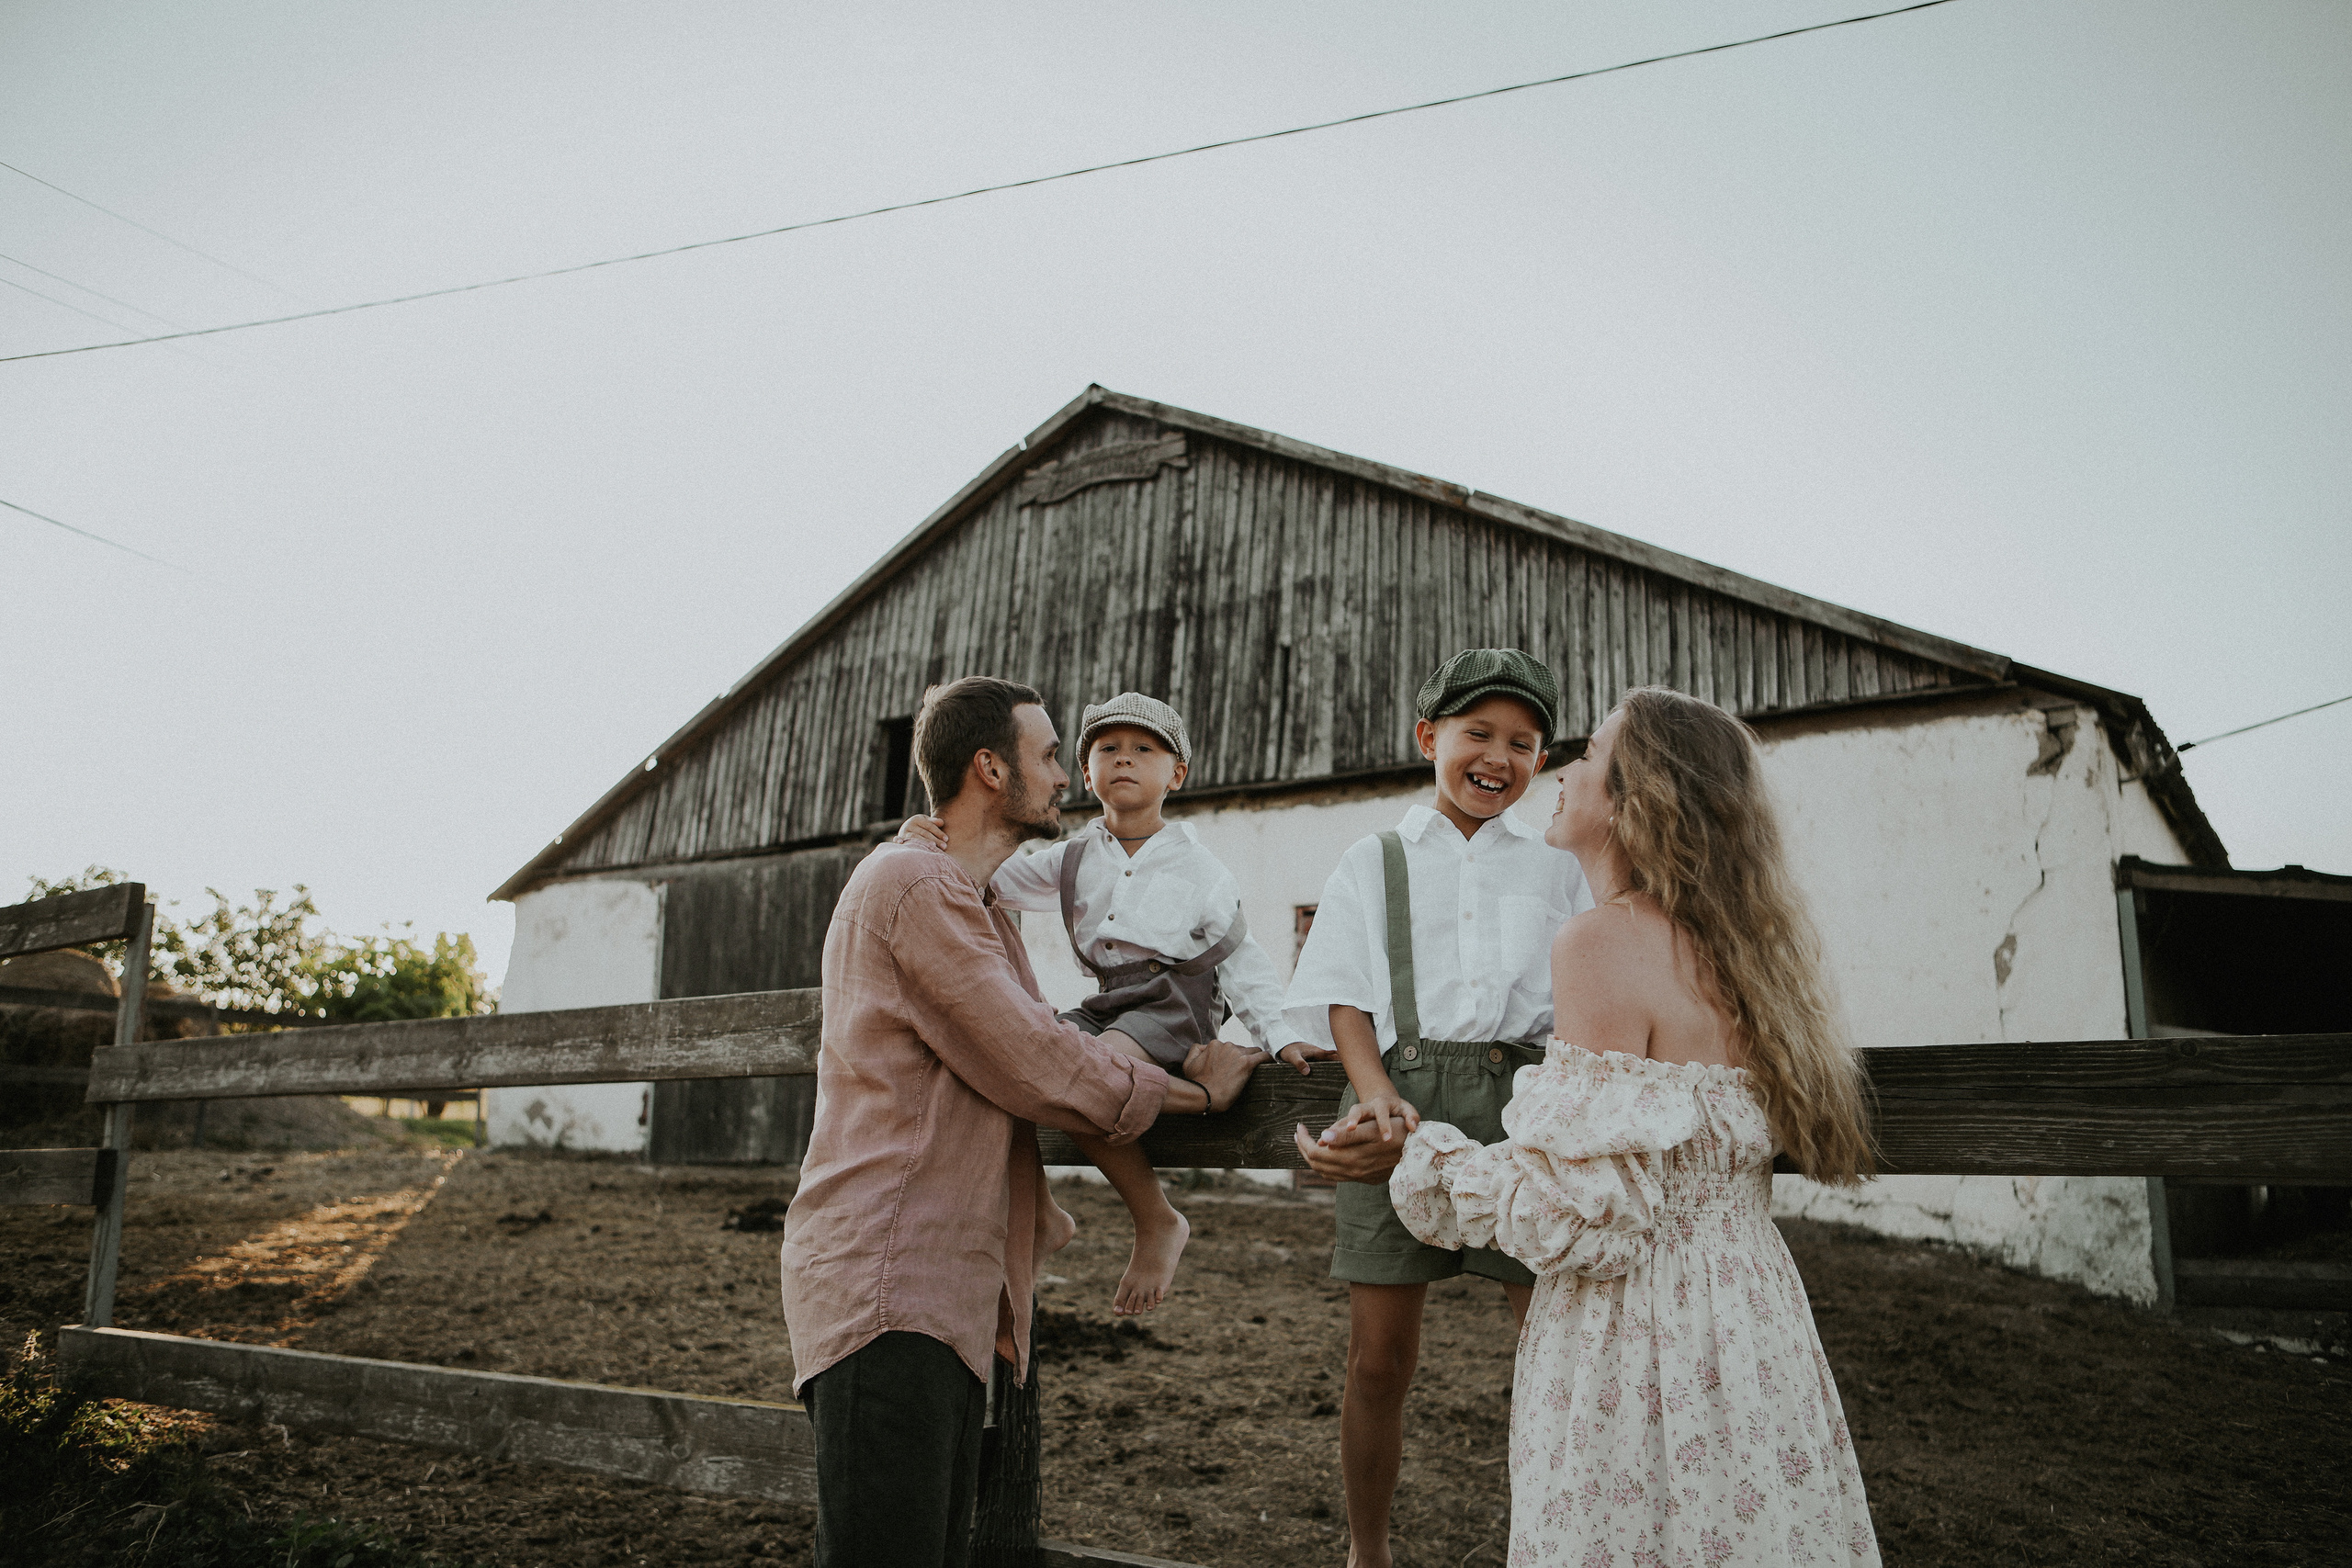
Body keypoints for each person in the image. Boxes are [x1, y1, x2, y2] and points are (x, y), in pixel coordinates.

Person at [1305, 685, 1882, 1566]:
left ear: (1634, 797)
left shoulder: (1598, 941)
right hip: (1750, 1311)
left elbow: (1575, 1206)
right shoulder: (1748, 951)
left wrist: (1418, 1156)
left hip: (1637, 1319)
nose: (1561, 771)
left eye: (1585, 753)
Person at [780, 675, 1262, 1568]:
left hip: (940, 1289)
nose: (1066, 776)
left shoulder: (972, 900)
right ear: (991, 769)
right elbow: (1039, 1061)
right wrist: (1197, 1096)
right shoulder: (912, 884)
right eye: (1048, 756)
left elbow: (1037, 1044)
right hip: (891, 1283)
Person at [1282, 648, 1591, 1568]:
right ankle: (1367, 1550)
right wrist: (1375, 1091)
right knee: (1379, 1359)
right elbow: (1344, 996)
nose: (1498, 756)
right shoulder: (1374, 859)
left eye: (1522, 743)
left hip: (1524, 1110)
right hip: (1401, 1105)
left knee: (1553, 1352)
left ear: (1541, 760)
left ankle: (1563, 1544)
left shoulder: (1556, 867)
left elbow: (1580, 995)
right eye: (1477, 733)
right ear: (1429, 737)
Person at [899, 691, 1329, 1315]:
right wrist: (928, 842)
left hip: (1174, 1004)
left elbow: (1242, 960)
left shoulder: (1199, 867)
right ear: (1085, 770)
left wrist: (1280, 1035)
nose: (1124, 759)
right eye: (1108, 749)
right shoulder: (1073, 856)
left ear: (1176, 774)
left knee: (1092, 1067)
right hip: (1108, 1004)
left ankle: (1157, 1218)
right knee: (1026, 1059)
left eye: (1144, 749)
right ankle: (1043, 1213)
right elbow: (984, 873)